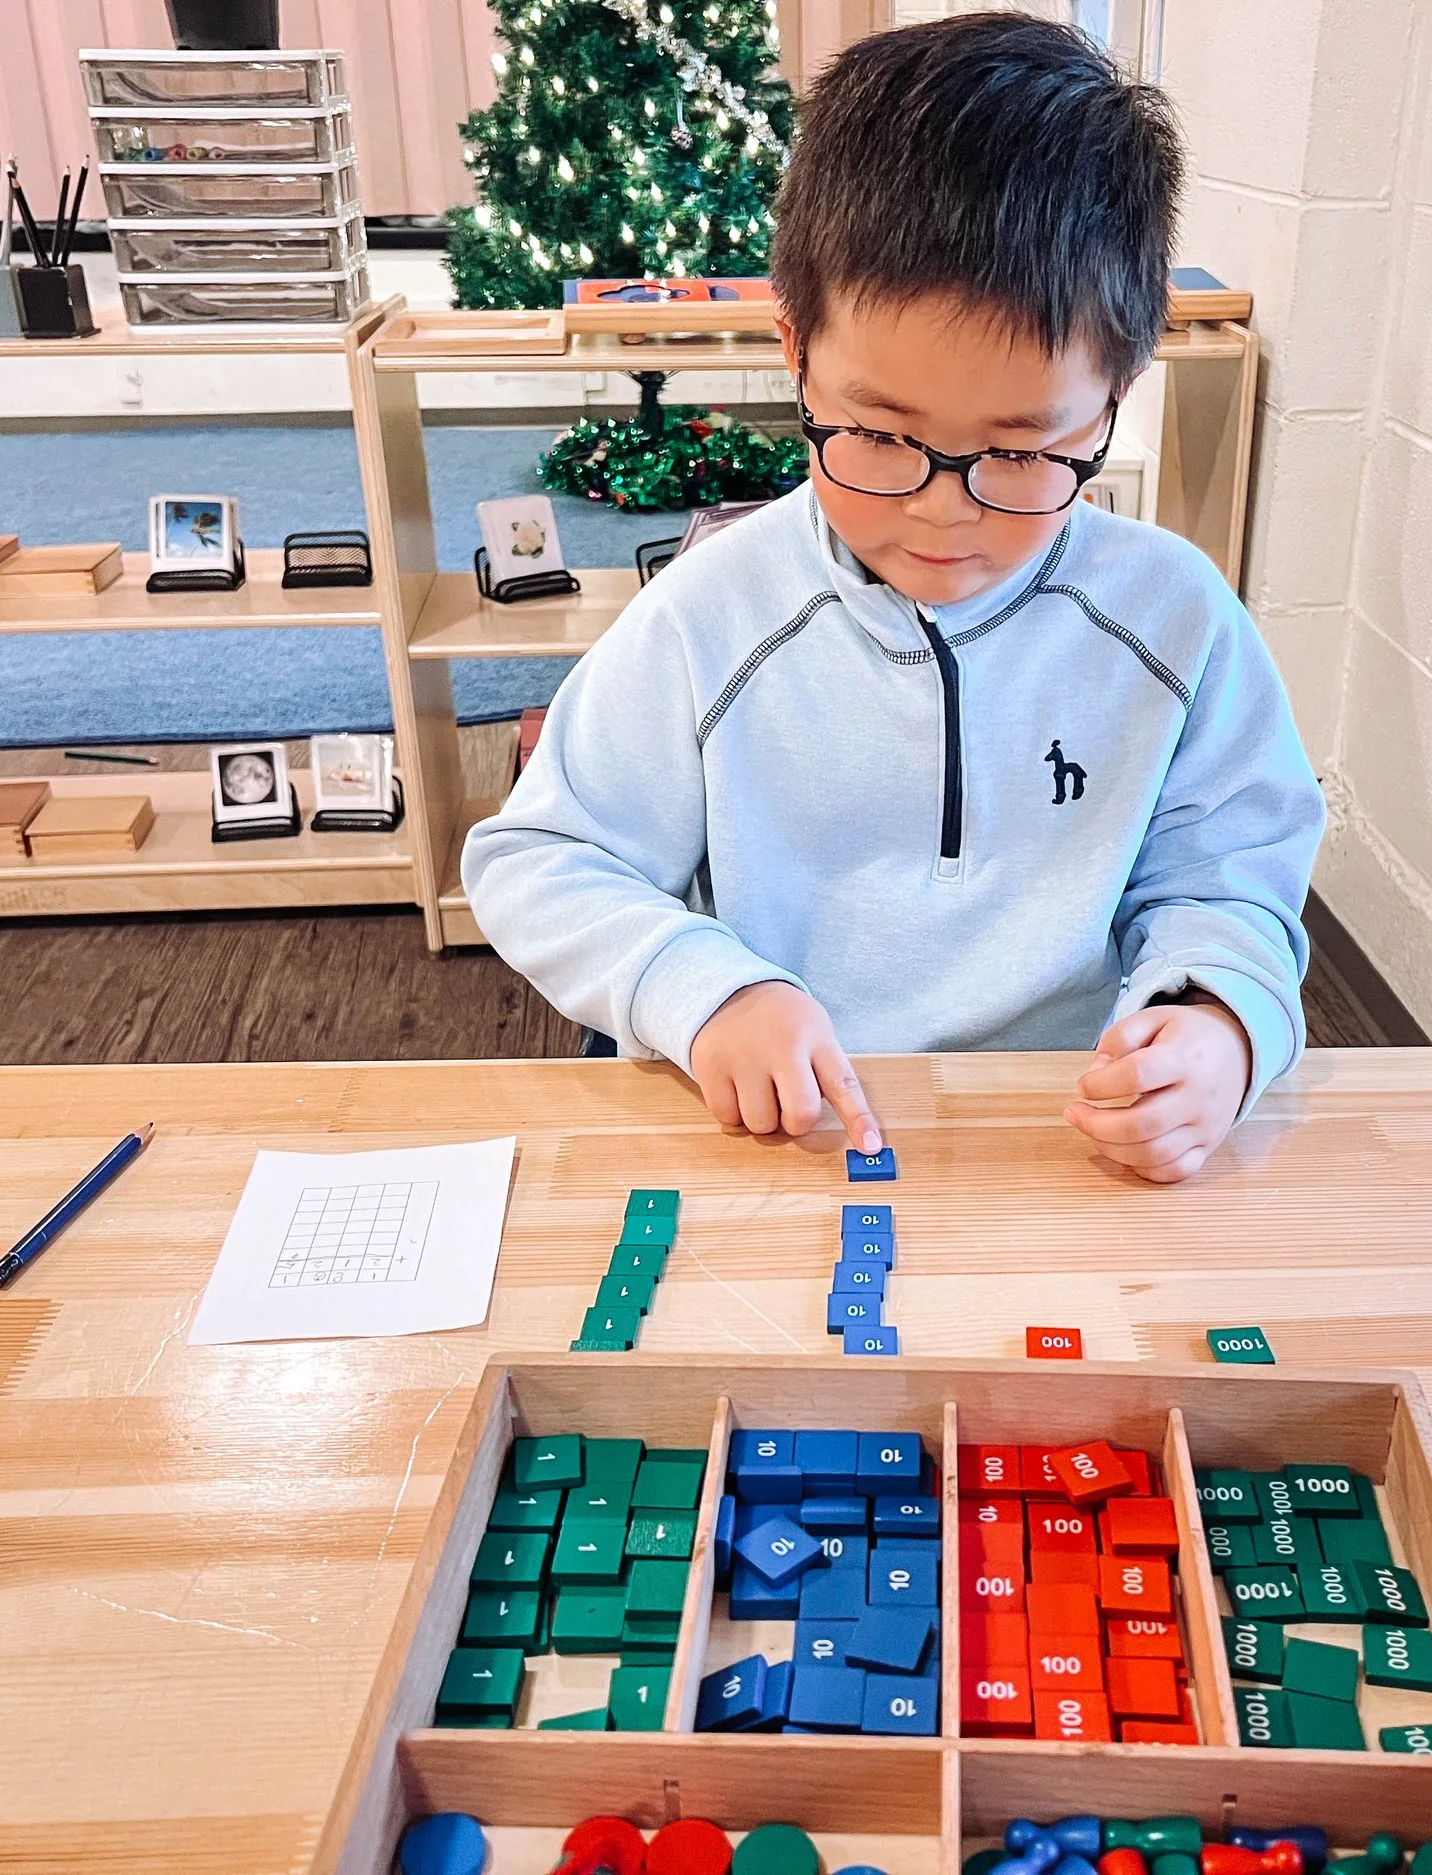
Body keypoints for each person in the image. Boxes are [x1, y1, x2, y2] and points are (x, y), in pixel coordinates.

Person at [462, 12, 1325, 1183]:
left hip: (1069, 1152)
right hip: (789, 1142)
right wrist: (704, 992)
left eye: (1021, 453)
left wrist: (1221, 1021)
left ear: (1120, 389)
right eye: (878, 434)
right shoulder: (714, 616)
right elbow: (544, 858)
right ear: (796, 356)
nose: (943, 512)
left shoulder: (1175, 619)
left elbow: (1230, 879)